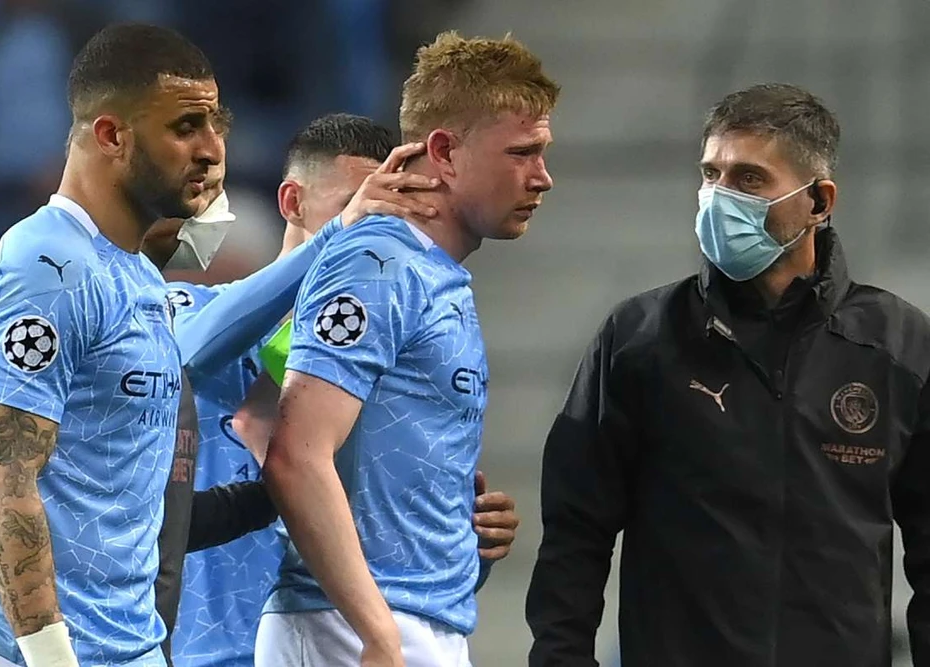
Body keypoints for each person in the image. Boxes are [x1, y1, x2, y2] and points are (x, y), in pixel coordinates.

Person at [525, 82, 930, 667]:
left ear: (819, 202)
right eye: (710, 174)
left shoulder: (898, 347)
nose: (719, 197)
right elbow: (574, 532)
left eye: (748, 179)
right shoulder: (640, 338)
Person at [238, 32, 559, 667]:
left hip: (419, 617)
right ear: (444, 152)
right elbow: (296, 454)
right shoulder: (377, 263)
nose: (542, 177)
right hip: (352, 627)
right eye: (521, 153)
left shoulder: (432, 274)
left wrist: (458, 538)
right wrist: (377, 634)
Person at [171, 112, 523, 667]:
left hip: (336, 638)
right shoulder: (191, 311)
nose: (373, 231)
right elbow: (182, 361)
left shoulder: (381, 351)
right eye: (357, 207)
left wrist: (465, 545)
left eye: (393, 212)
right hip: (210, 653)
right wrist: (335, 236)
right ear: (293, 202)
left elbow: (385, 551)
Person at [0, 23, 223, 667]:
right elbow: (2, 482)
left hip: (125, 641)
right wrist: (53, 659)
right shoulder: (48, 268)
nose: (212, 149)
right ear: (112, 135)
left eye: (215, 124)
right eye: (186, 127)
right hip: (27, 650)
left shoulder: (136, 273)